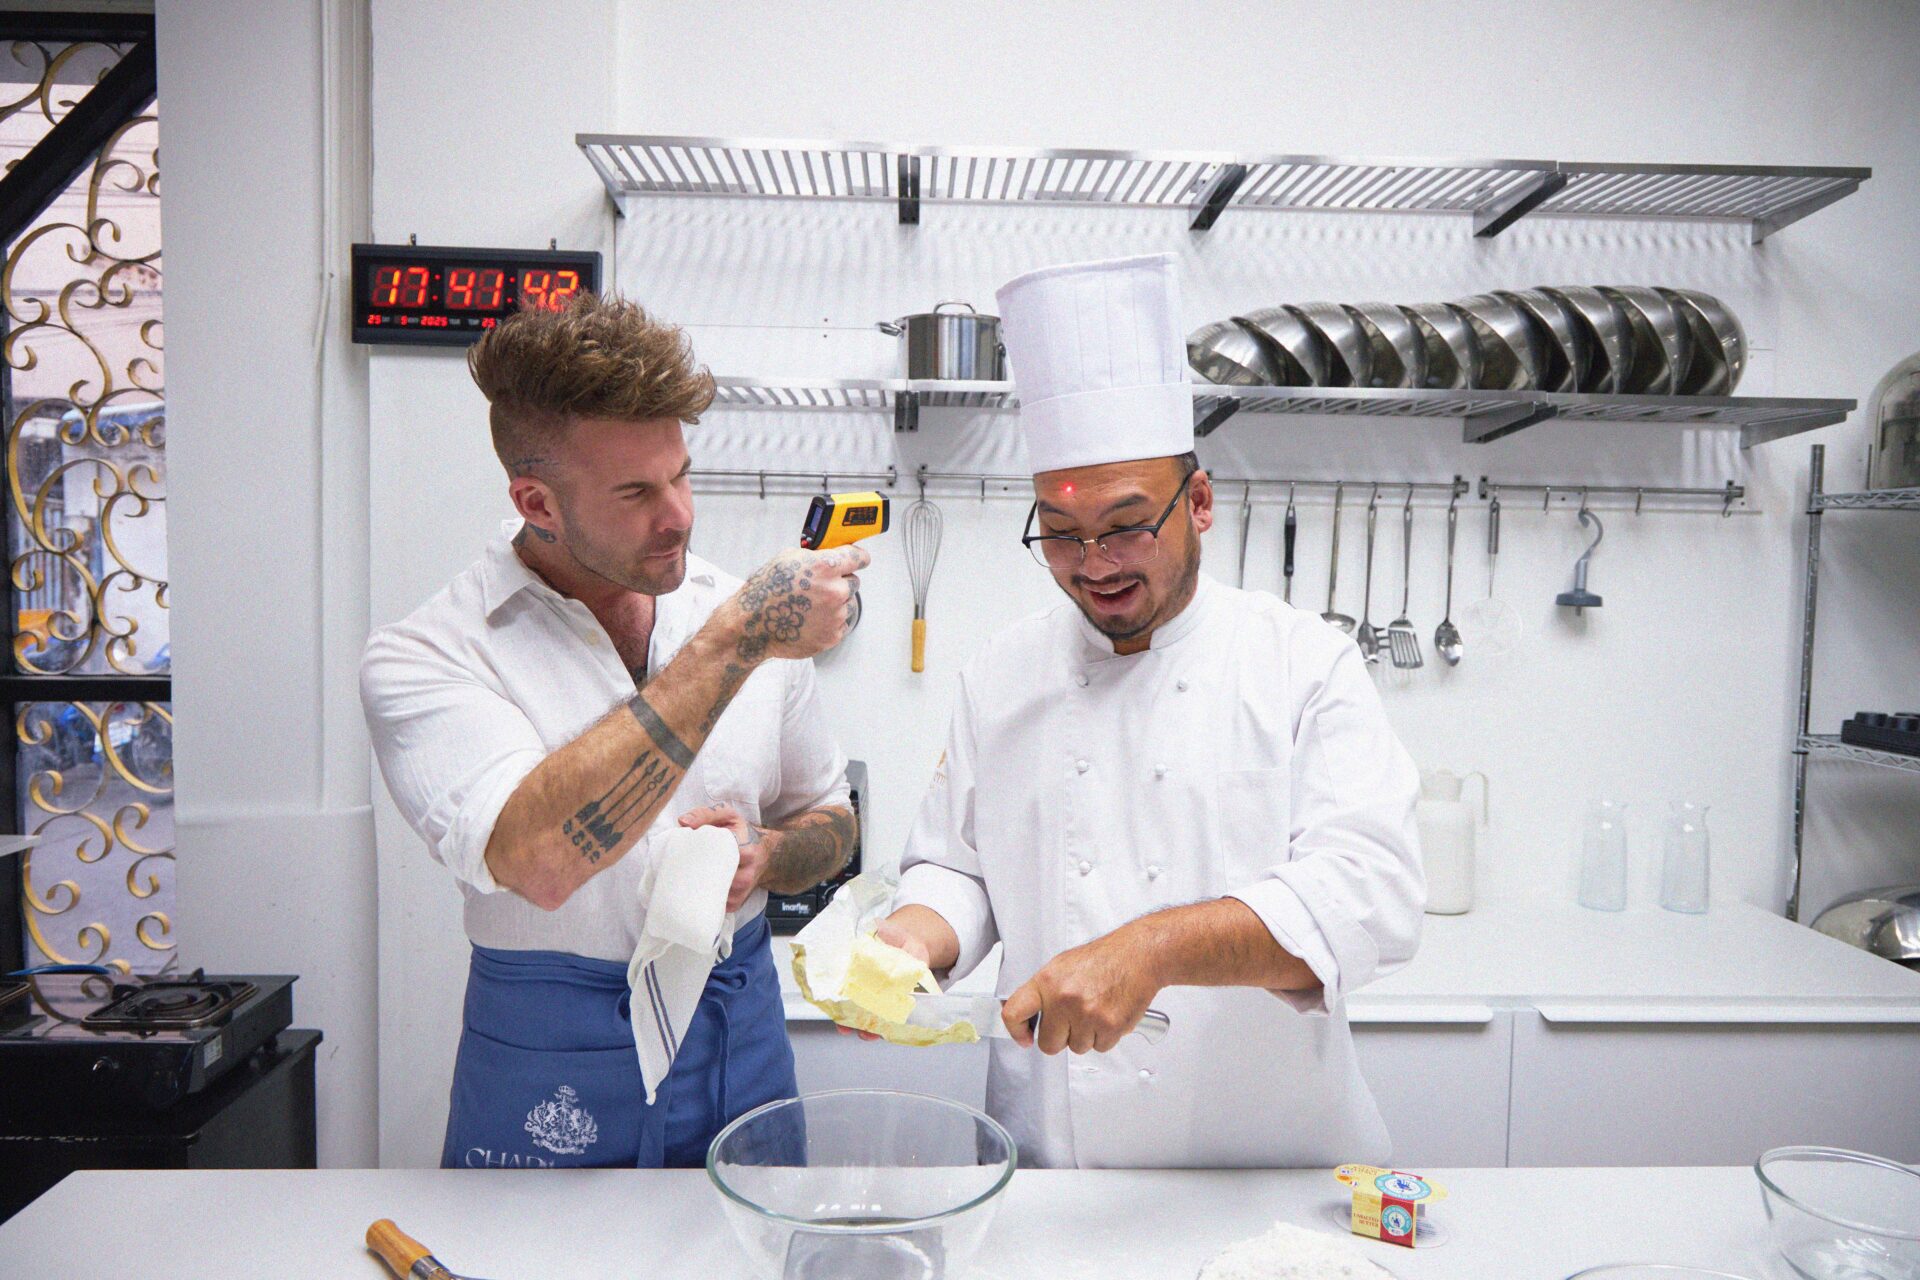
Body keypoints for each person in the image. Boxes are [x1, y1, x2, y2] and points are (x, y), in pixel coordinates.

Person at [873, 254, 1424, 1168]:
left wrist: (1151, 949)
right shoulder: (1000, 675)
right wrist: (911, 946)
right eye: (1059, 530)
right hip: (1055, 1163)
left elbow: (1373, 896)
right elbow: (957, 867)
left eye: (1127, 524)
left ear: (1198, 502)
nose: (1093, 563)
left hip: (1255, 1168)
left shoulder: (1301, 664)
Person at [361, 293, 867, 1169]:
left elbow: (833, 821)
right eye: (636, 491)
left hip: (738, 1024)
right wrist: (736, 640)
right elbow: (538, 861)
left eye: (680, 474)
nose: (679, 515)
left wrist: (769, 857)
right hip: (549, 1051)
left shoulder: (732, 611)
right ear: (538, 501)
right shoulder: (428, 657)